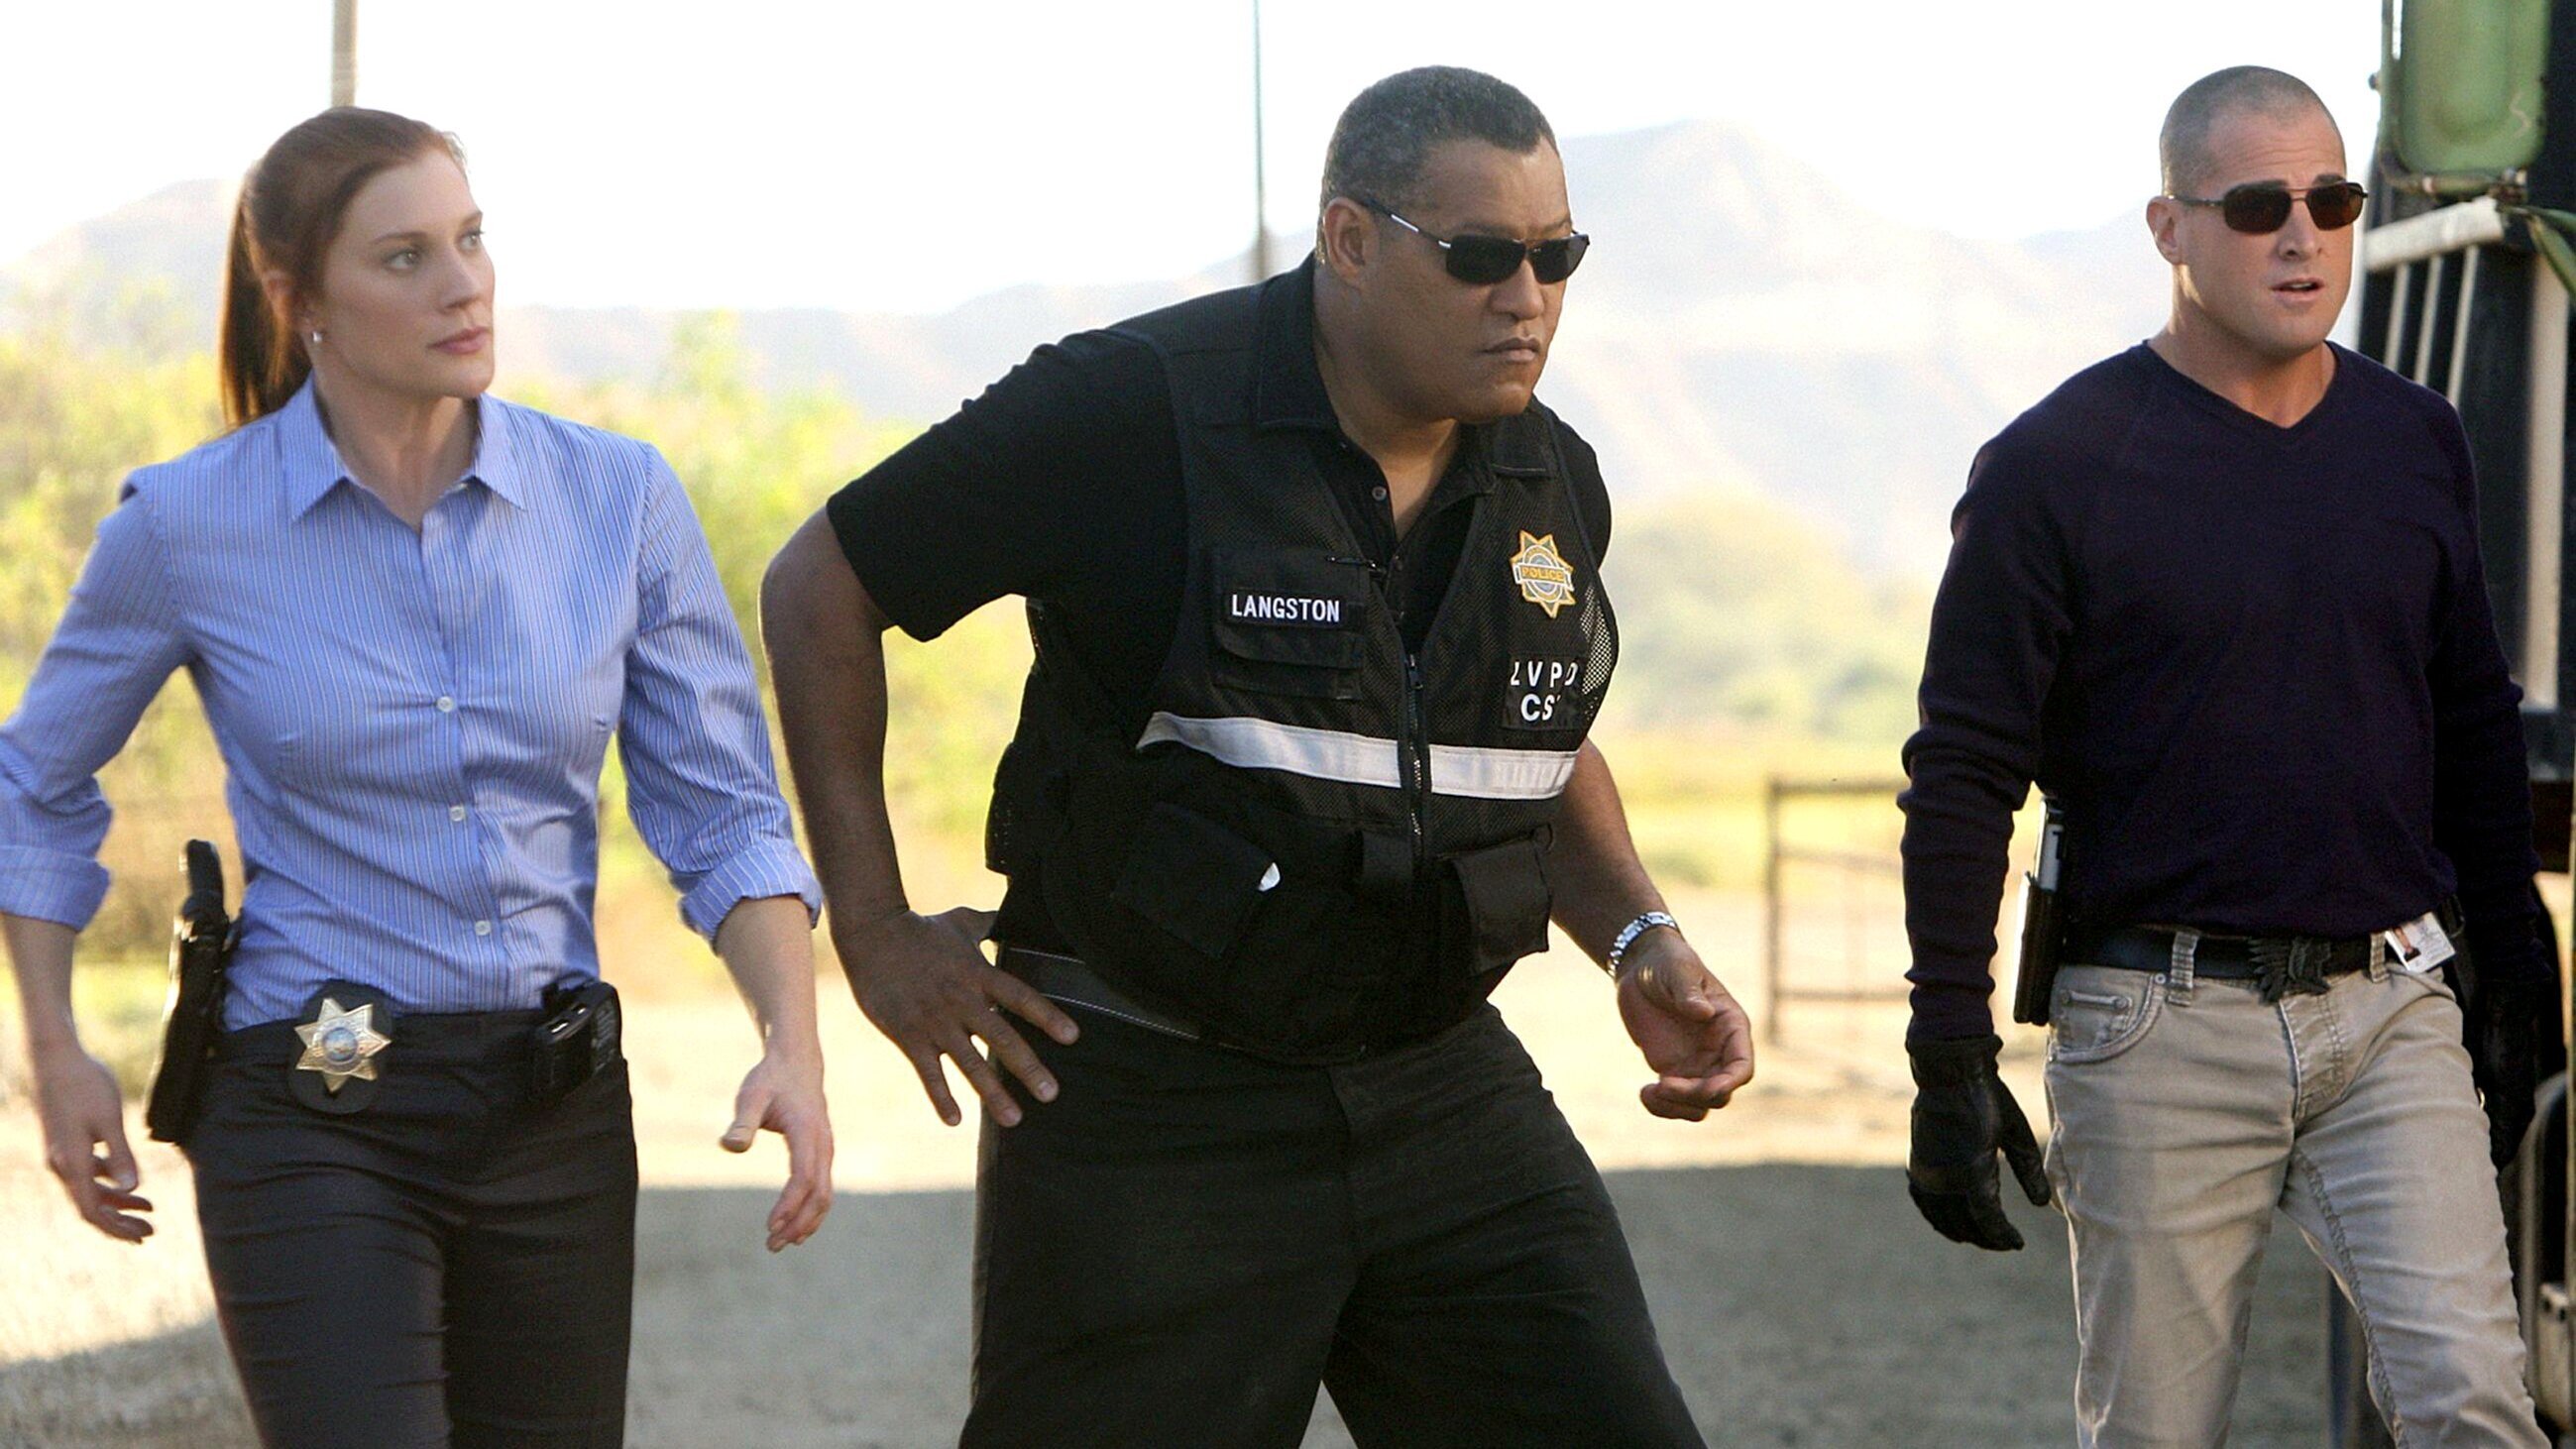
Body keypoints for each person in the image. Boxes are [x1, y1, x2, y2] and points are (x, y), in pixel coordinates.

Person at [762, 65, 1748, 1449]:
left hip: (1438, 1087)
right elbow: (824, 580)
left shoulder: (1549, 476)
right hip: (1154, 1104)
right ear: (1350, 239)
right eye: (1479, 256)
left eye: (1556, 255)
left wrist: (1641, 935)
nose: (1526, 298)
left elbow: (1523, 733)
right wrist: (871, 929)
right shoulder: (1132, 411)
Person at [3, 108, 833, 1448]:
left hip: (555, 1113)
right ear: (300, 301)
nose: (465, 284)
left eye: (472, 238)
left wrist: (791, 1037)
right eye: (405, 257)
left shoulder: (618, 499)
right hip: (310, 1102)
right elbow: (33, 783)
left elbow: (723, 808)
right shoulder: (186, 523)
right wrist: (57, 1050)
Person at [1897, 65, 2554, 1445]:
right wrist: (1947, 1049)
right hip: (2157, 1026)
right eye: (2259, 207)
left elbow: (2474, 722)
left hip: (2391, 1008)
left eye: (2335, 200)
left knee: (2476, 1406)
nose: (2305, 236)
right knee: (2158, 1433)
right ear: (2169, 227)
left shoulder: (2415, 439)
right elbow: (1963, 769)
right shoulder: (2053, 467)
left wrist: (2518, 971)